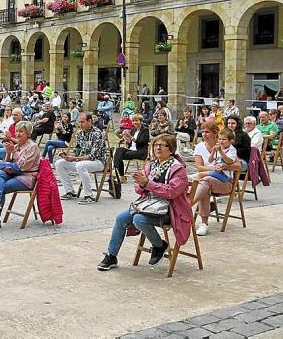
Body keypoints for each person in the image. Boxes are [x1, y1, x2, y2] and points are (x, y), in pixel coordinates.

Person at [97, 134, 192, 271]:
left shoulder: (178, 169)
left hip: (170, 209)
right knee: (120, 218)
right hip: (148, 205)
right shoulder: (152, 164)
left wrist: (148, 183)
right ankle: (112, 255)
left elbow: (172, 192)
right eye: (155, 145)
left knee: (139, 219)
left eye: (162, 145)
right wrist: (141, 184)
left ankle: (159, 246)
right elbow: (138, 186)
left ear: (171, 149)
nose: (157, 148)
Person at [0, 121, 40, 229]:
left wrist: (13, 154)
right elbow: (7, 162)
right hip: (14, 173)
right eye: (17, 131)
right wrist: (8, 153)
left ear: (28, 134)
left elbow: (24, 166)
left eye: (21, 132)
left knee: (1, 187)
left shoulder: (33, 147)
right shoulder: (17, 145)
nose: (17, 134)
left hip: (26, 177)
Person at [192, 122, 240, 236]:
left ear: (215, 133)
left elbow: (238, 166)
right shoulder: (199, 147)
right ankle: (203, 223)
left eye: (207, 132)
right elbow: (199, 167)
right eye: (202, 132)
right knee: (203, 183)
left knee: (205, 180)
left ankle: (189, 204)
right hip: (209, 179)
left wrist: (224, 166)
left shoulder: (226, 147)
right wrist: (215, 167)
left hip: (224, 182)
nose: (204, 134)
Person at [55, 112, 108, 204]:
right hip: (82, 161)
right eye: (79, 122)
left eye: (82, 122)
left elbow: (92, 156)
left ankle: (89, 196)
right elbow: (76, 152)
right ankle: (70, 191)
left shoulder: (97, 134)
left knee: (80, 165)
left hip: (98, 162)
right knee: (59, 163)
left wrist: (75, 158)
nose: (80, 125)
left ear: (90, 121)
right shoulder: (79, 134)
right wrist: (67, 156)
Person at [113, 114, 150, 183]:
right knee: (119, 150)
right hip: (131, 149)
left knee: (119, 156)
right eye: (133, 121)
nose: (134, 122)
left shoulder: (145, 130)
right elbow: (130, 143)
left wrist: (131, 137)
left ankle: (119, 173)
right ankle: (116, 171)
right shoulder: (133, 129)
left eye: (136, 121)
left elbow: (142, 142)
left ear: (141, 121)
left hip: (140, 152)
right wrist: (127, 140)